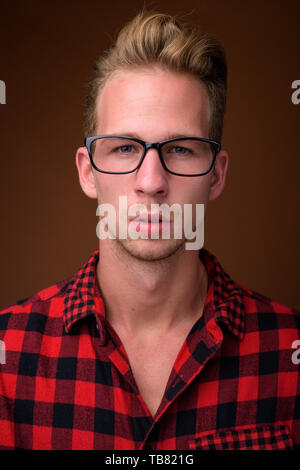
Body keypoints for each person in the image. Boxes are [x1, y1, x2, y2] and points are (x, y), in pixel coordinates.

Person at [0, 10, 299, 451]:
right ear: (87, 173)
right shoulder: (10, 356)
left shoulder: (287, 353)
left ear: (216, 175)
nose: (152, 181)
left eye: (180, 149)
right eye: (124, 148)